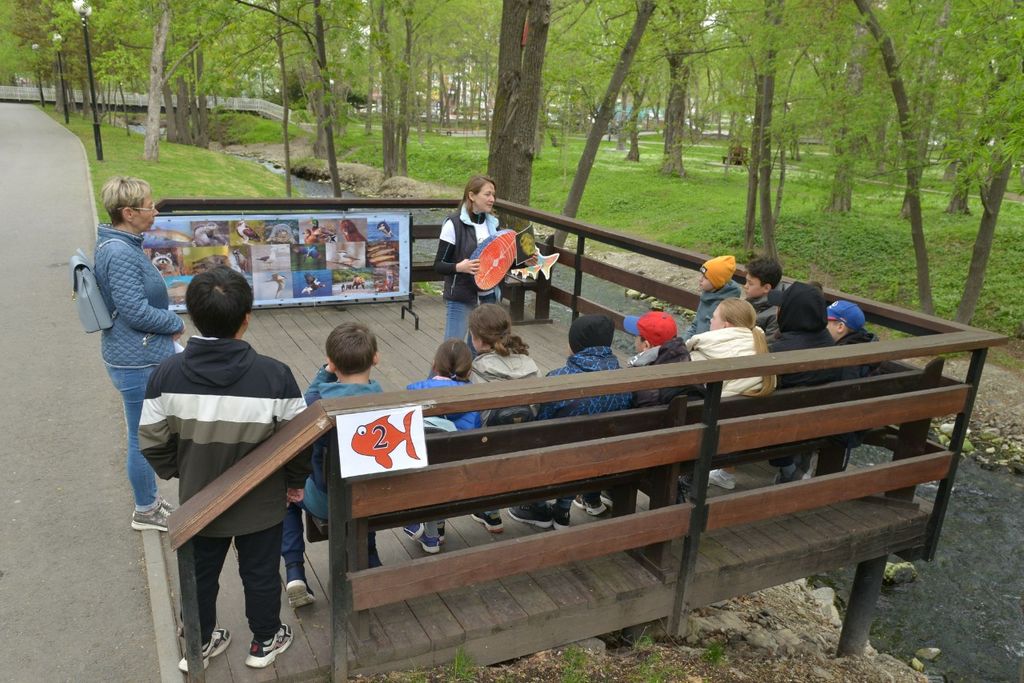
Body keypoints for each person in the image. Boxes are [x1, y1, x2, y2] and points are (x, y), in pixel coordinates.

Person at [139, 268, 310, 671]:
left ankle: (197, 642)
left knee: (199, 576)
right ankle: (264, 640)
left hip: (199, 501)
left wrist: (183, 469)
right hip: (262, 504)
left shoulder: (165, 375)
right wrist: (295, 482)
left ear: (192, 316)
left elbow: (151, 438)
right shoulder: (275, 375)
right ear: (246, 317)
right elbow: (298, 440)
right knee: (261, 573)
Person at [94, 176, 185, 532]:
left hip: (136, 354)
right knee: (141, 436)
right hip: (136, 360)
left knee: (146, 432)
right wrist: (171, 320)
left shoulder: (120, 244)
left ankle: (148, 498)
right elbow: (134, 311)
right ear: (129, 213)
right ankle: (145, 510)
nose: (155, 211)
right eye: (149, 206)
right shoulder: (119, 253)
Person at [281, 322, 383, 609]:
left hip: (327, 500)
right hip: (376, 498)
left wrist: (324, 372)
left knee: (285, 494)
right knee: (363, 481)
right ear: (375, 358)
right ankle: (369, 556)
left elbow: (301, 406)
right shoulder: (385, 398)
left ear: (333, 363)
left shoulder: (317, 402)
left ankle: (294, 572)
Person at [508, 315, 631, 529]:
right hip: (605, 460)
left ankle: (538, 506)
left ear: (576, 344)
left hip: (557, 463)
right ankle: (564, 509)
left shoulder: (558, 379)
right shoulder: (626, 380)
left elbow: (540, 426)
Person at [686, 299, 777, 490]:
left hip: (709, 434)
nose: (710, 320)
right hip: (749, 431)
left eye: (714, 317)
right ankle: (726, 472)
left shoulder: (706, 350)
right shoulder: (761, 346)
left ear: (726, 325)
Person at [403, 339, 482, 553]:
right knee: (445, 464)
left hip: (420, 474)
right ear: (468, 368)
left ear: (434, 364)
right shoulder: (475, 397)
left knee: (424, 462)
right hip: (458, 475)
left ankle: (430, 532)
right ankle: (433, 531)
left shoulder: (413, 390)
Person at [467, 303, 540, 532]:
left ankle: (490, 513)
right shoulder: (531, 365)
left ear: (477, 339)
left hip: (487, 450)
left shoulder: (475, 371)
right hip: (526, 446)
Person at [768, 282, 842, 482]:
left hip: (775, 431)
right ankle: (795, 469)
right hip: (820, 424)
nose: (776, 311)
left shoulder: (779, 352)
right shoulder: (831, 346)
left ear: (792, 312)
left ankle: (790, 470)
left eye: (780, 307)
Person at [434, 174, 500, 344]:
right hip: (462, 297)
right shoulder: (453, 224)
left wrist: (525, 260)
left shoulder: (493, 225)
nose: (492, 199)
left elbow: (501, 262)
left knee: (481, 353)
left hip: (489, 298)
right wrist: (459, 267)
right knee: (452, 352)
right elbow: (439, 265)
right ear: (472, 196)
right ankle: (439, 373)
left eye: (493, 194)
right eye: (487, 194)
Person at [682, 254, 741, 341]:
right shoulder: (707, 293)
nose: (700, 279)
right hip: (696, 342)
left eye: (705, 277)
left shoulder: (726, 307)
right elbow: (695, 324)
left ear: (717, 282)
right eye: (701, 275)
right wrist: (683, 343)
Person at [743, 254, 783, 340]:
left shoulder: (775, 316)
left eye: (750, 283)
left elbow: (768, 345)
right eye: (746, 281)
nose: (745, 286)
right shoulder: (751, 300)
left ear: (766, 288)